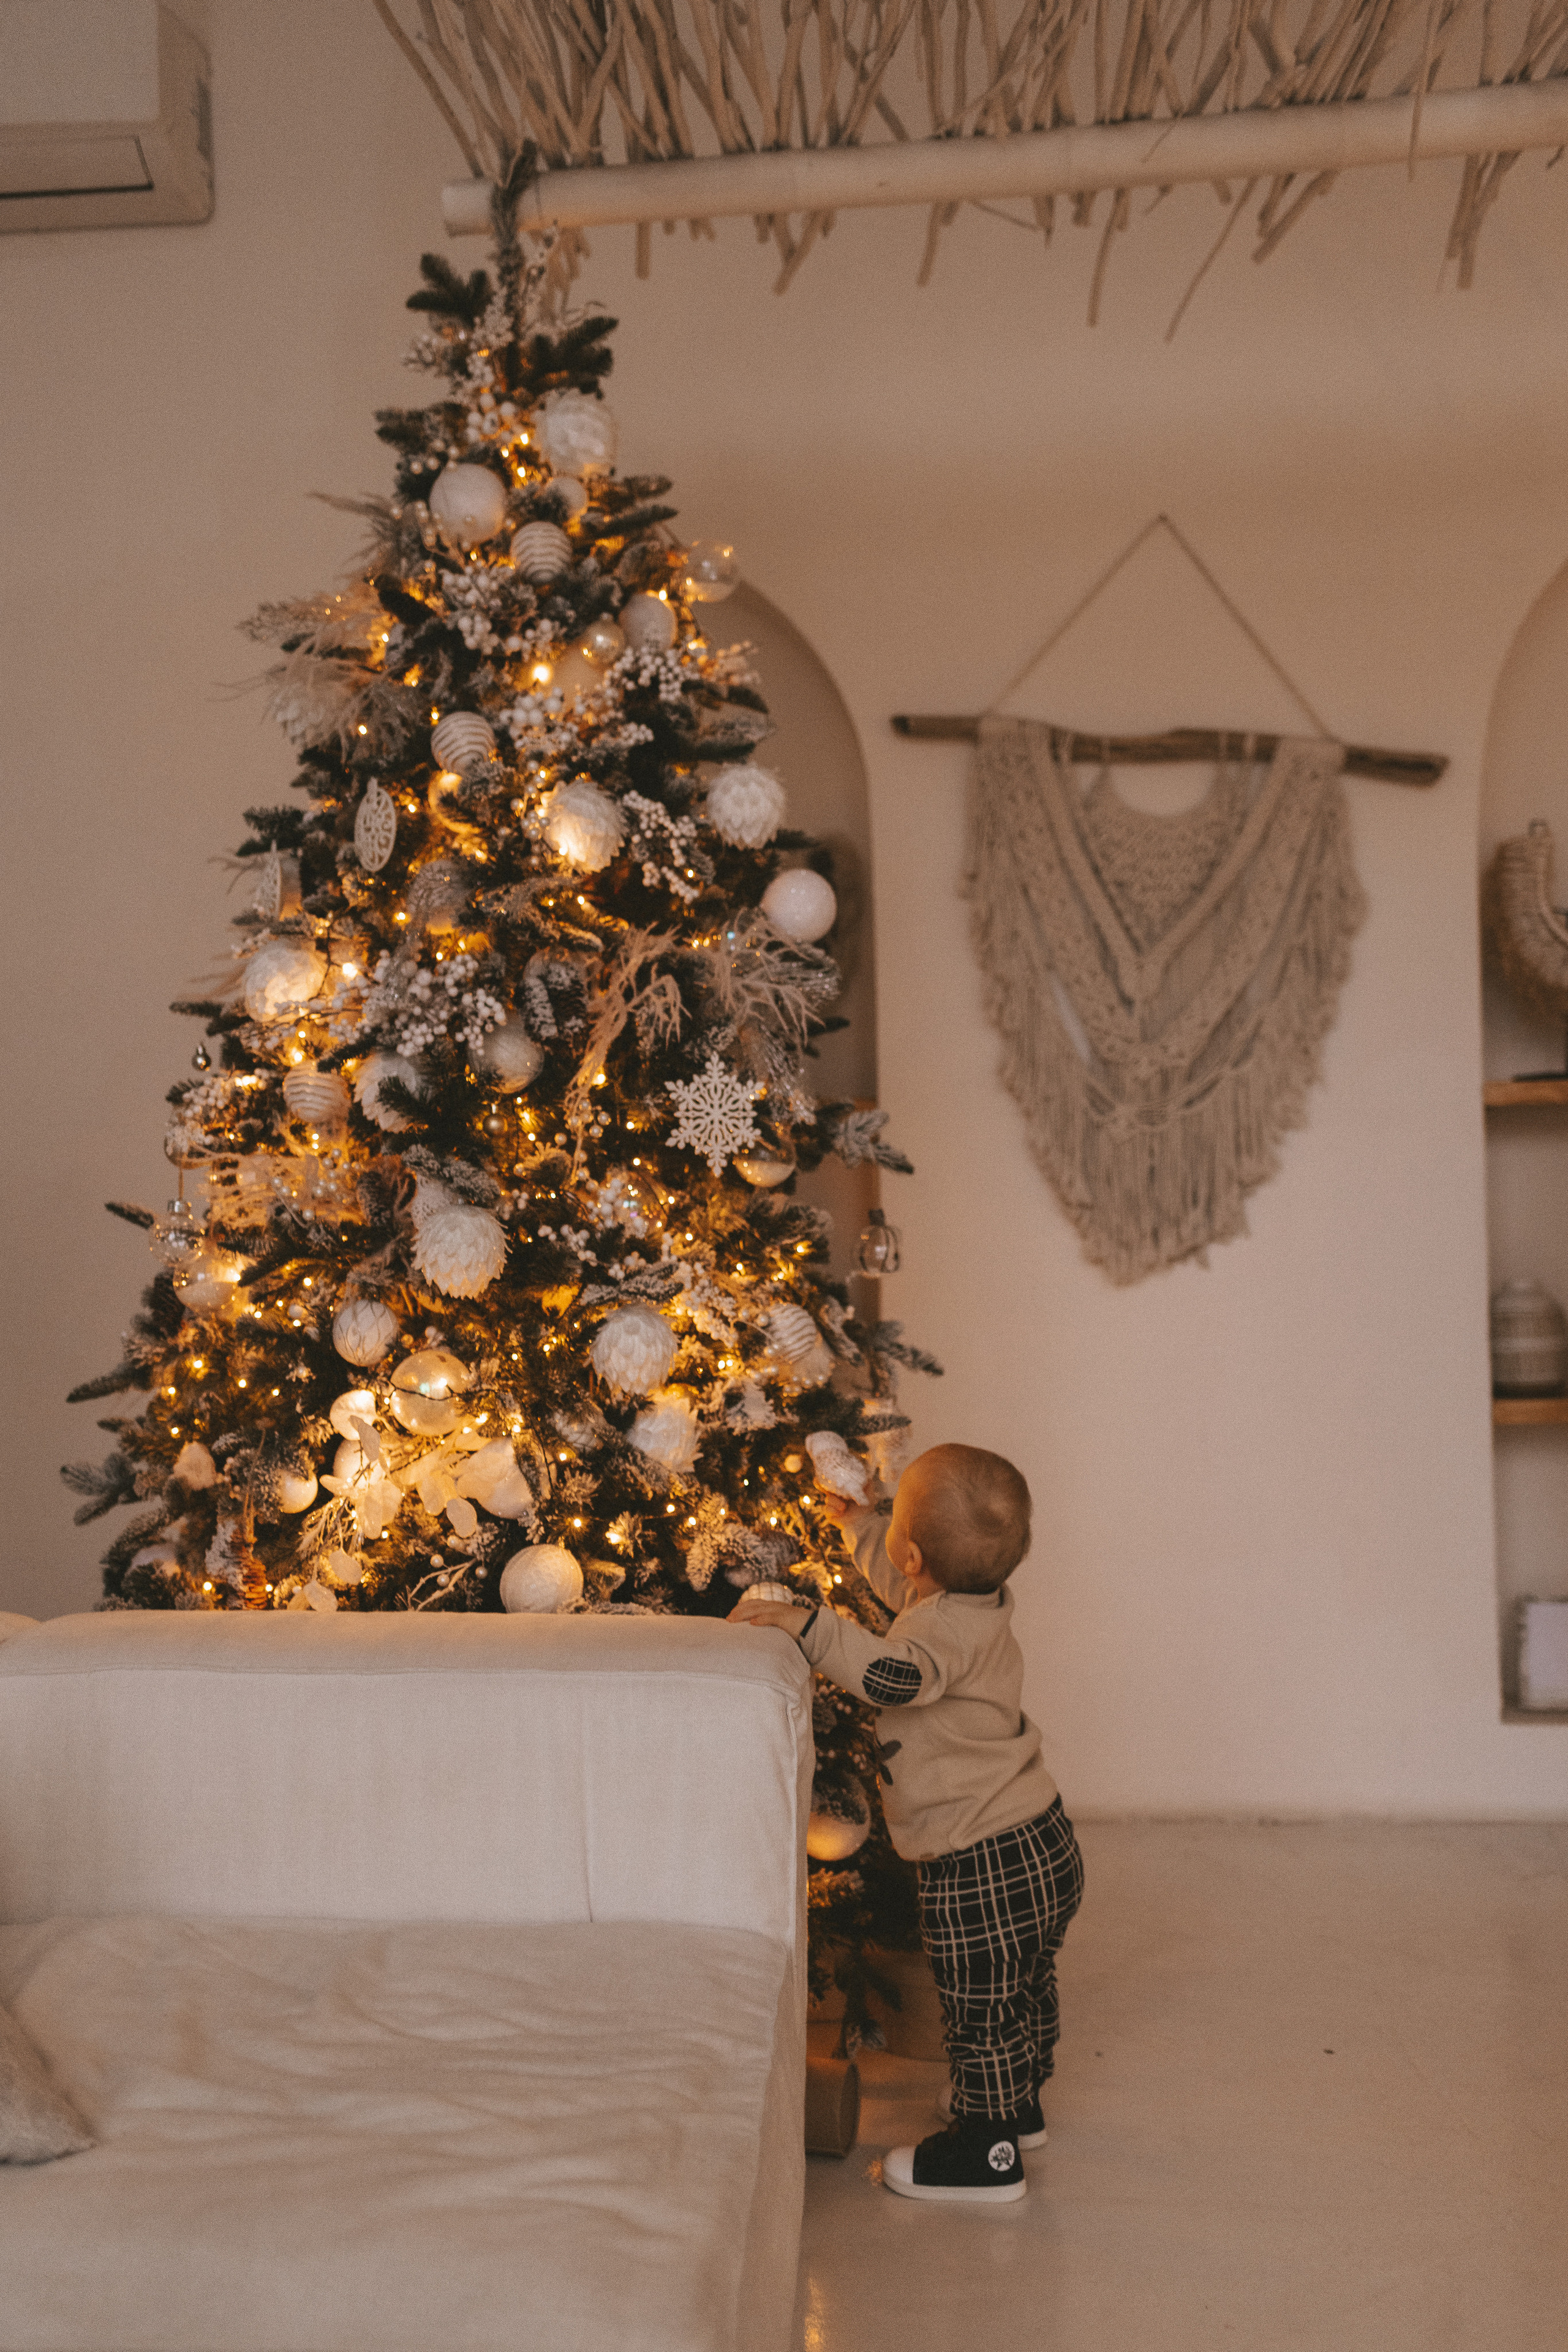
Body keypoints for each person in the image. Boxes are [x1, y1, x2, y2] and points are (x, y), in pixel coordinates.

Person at [731, 1442, 1083, 2204]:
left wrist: (810, 1627)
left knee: (978, 2006)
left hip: (979, 1857)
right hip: (1038, 1839)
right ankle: (1016, 2107)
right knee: (1022, 1987)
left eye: (895, 1520)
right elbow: (905, 1592)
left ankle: (986, 2154)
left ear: (917, 1553)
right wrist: (863, 1524)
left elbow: (896, 1673)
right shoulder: (966, 1606)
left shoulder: (937, 1637)